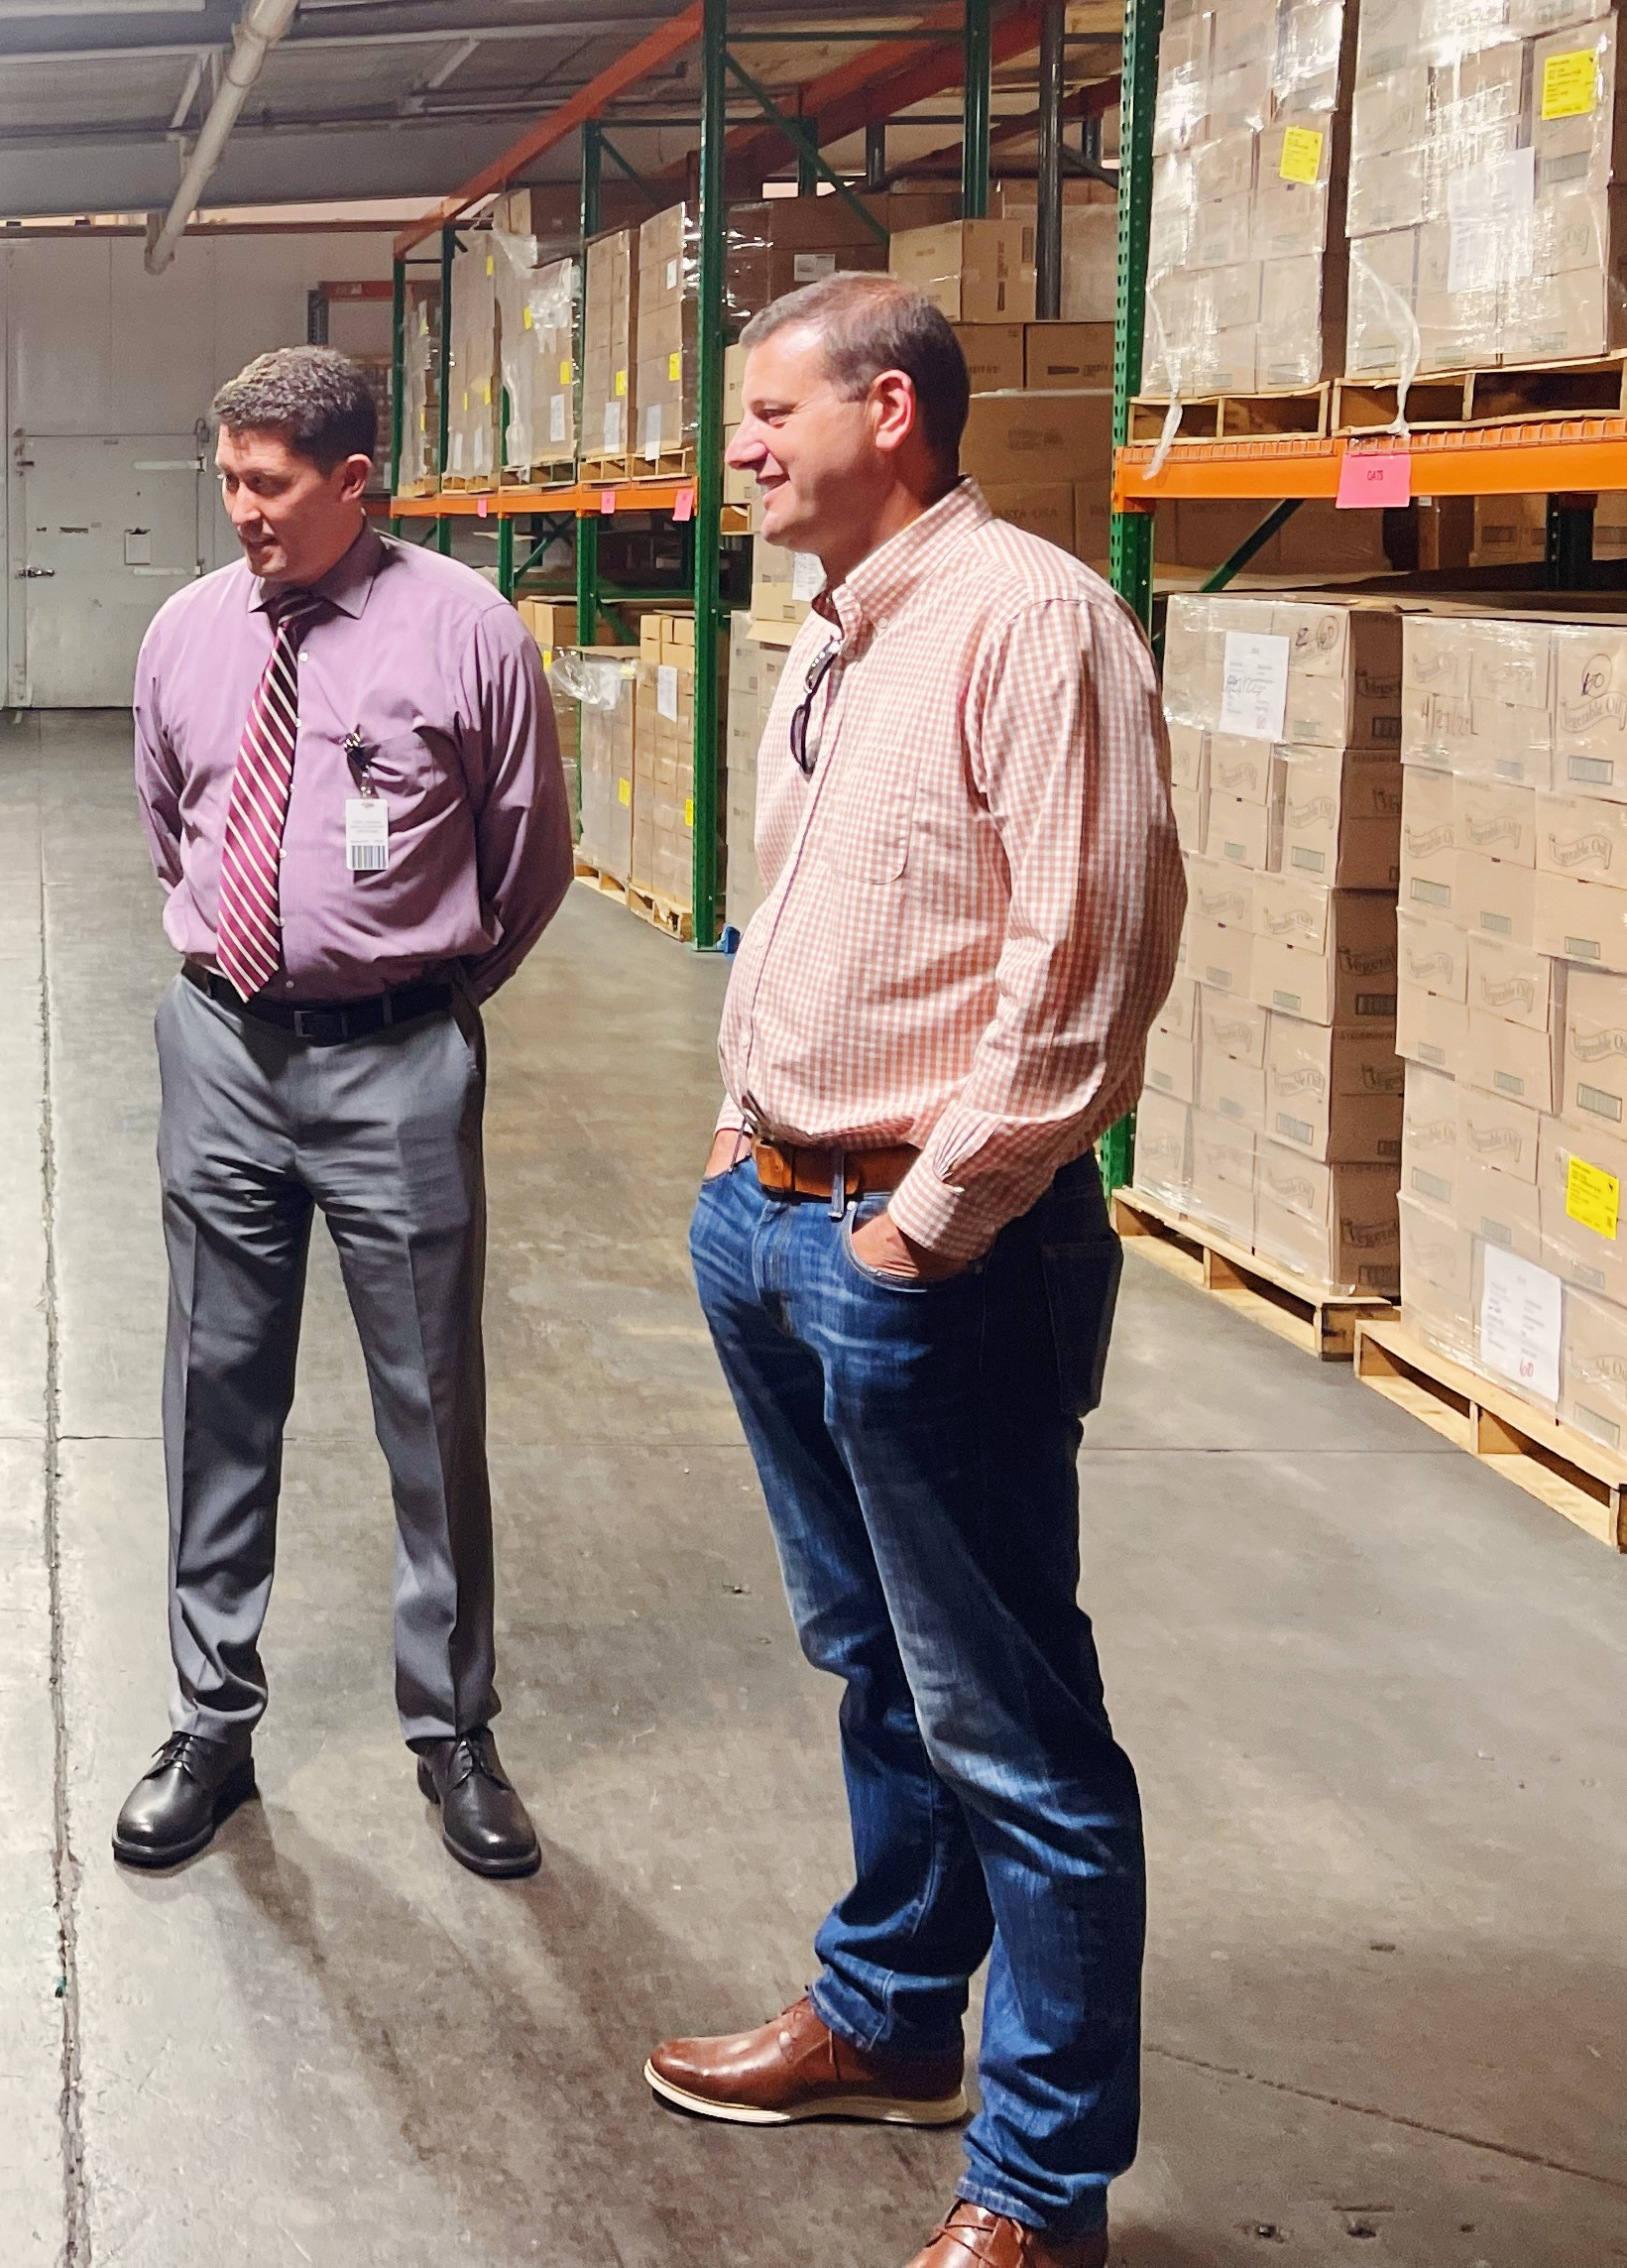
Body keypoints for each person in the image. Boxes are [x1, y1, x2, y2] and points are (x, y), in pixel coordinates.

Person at [646, 276, 1182, 2268]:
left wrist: (918, 1225)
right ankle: (887, 2021)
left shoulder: (1034, 625)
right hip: (780, 1216)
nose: (743, 451)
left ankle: (1041, 2192)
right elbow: (804, 922)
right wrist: (741, 1152)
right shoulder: (834, 639)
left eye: (772, 414)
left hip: (928, 1254)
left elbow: (1090, 964)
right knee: (876, 1667)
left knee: (1015, 1727)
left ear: (891, 409)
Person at [121, 342, 570, 1880]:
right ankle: (209, 1722)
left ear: (355, 482)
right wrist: (254, 977)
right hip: (223, 1052)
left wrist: (411, 1006)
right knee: (214, 1386)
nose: (240, 509)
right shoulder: (184, 634)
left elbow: (528, 867)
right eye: (228, 478)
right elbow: (169, 826)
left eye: (271, 484)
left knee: (428, 1403)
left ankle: (453, 1733)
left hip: (397, 1059)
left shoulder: (467, 634)